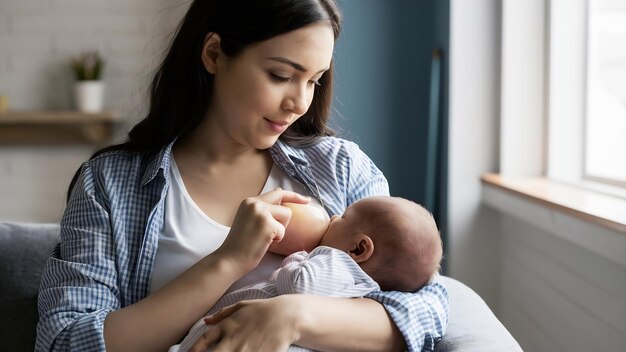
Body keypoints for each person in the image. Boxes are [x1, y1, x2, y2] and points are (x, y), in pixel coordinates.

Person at [36, 1, 449, 351]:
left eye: (314, 80)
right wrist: (228, 260)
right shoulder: (110, 184)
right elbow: (67, 339)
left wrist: (292, 316)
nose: (300, 103)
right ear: (214, 54)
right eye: (281, 76)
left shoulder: (341, 168)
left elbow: (424, 307)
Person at [172, 196, 443, 351]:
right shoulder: (353, 280)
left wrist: (299, 257)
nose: (334, 217)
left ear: (360, 248)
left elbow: (300, 284)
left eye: (344, 217)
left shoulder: (339, 265)